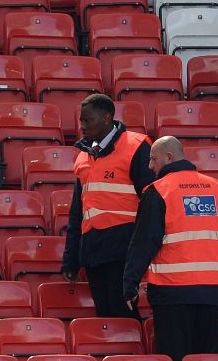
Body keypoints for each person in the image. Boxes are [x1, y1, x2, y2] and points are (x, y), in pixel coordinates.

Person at [123, 136, 218, 361]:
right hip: (209, 293)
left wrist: (130, 283)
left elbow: (144, 242)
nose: (149, 166)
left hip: (171, 293)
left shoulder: (159, 190)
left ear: (169, 157)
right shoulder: (217, 188)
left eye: (153, 159)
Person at [62, 94, 155, 318]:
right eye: (81, 121)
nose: (82, 126)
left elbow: (152, 202)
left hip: (125, 248)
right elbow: (78, 211)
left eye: (88, 120)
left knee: (124, 317)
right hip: (94, 250)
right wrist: (71, 258)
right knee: (105, 316)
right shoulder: (83, 156)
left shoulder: (136, 147)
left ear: (106, 117)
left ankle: (134, 355)